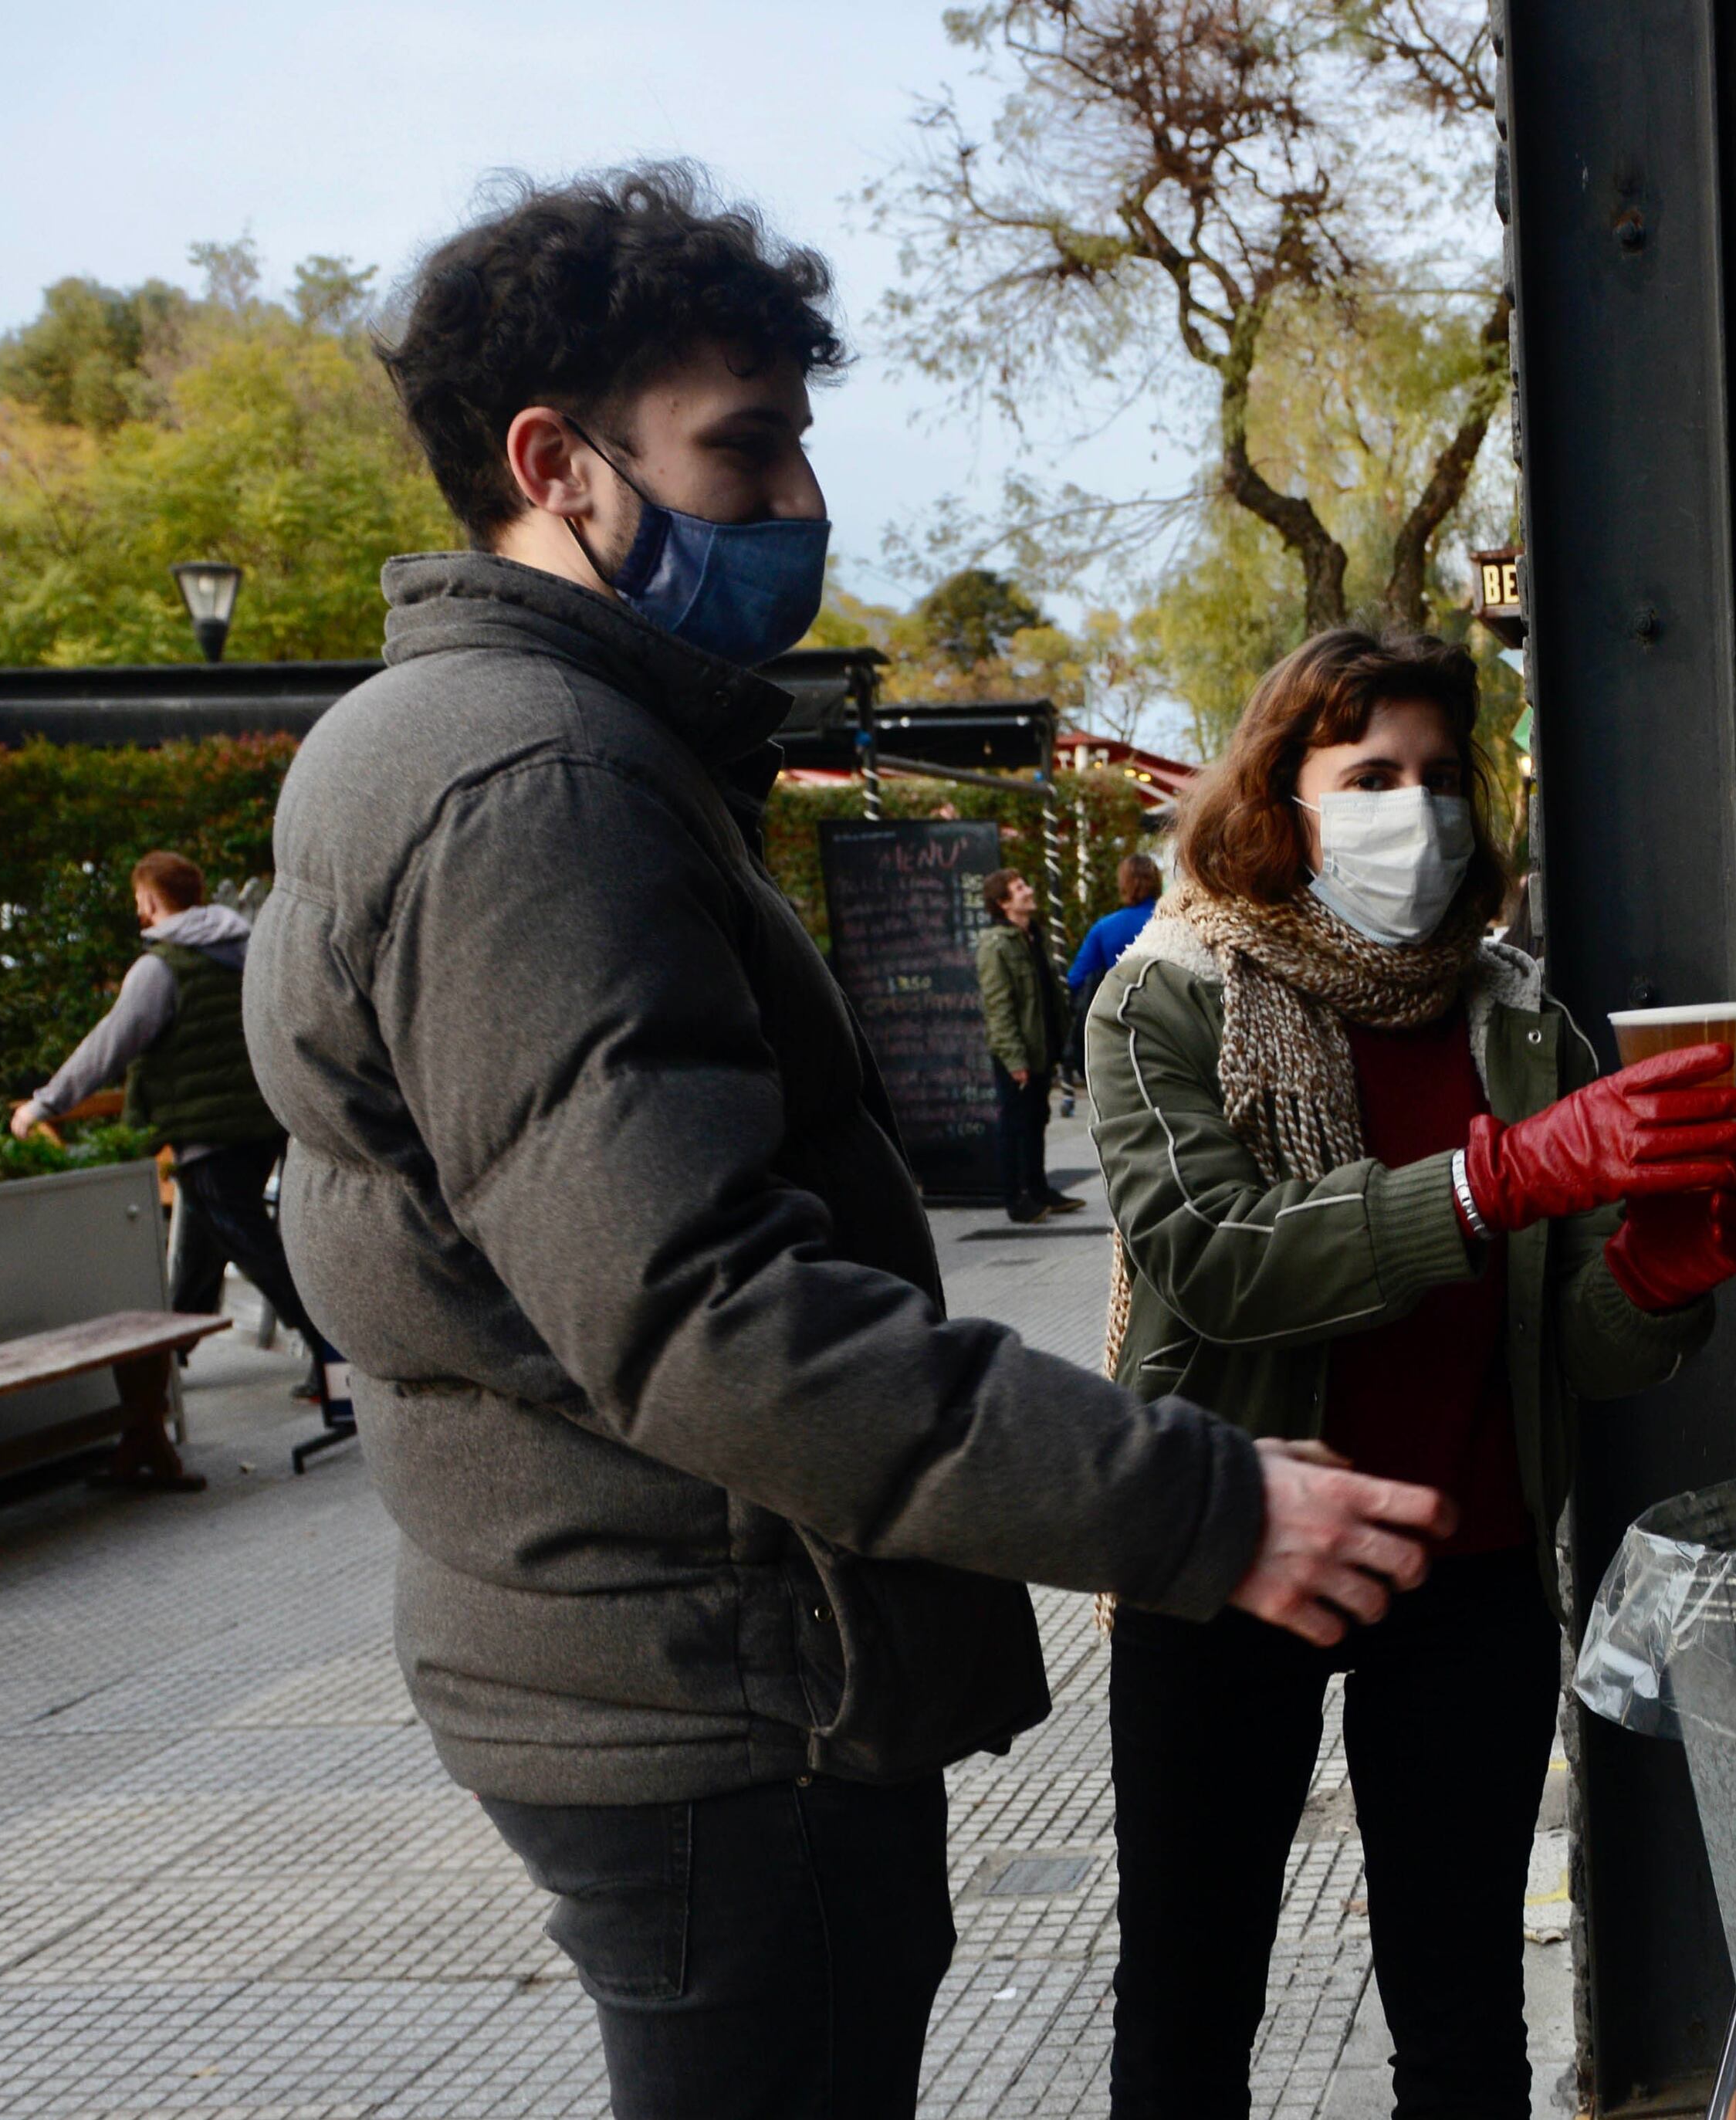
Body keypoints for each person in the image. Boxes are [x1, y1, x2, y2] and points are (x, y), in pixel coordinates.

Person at [249, 164, 1450, 2120]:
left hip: (669, 1653)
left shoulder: (488, 741)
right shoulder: (532, 780)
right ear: (556, 463)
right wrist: (1199, 1504)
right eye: (744, 448)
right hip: (712, 1685)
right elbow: (703, 1313)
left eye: (800, 439)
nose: (799, 502)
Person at [1087, 628, 1736, 2120]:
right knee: (1189, 2003)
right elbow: (1219, 1260)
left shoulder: (1520, 1019)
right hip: (1231, 1553)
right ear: (1282, 794)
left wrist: (1658, 1270)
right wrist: (1492, 1178)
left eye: (1443, 776)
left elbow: (1573, 1342)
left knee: (1463, 2020)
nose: (1417, 808)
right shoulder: (1166, 997)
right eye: (1372, 773)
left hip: (1467, 1566)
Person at [11, 850, 329, 1398]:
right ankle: (168, 1358)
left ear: (152, 901)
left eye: (140, 904)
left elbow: (111, 1044)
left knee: (252, 1245)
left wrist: (47, 1103)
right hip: (262, 1121)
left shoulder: (161, 968)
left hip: (209, 1131)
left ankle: (333, 1358)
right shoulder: (248, 951)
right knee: (208, 1243)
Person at [974, 866, 1079, 1221]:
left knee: (1037, 1119)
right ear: (1004, 902)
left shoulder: (1033, 935)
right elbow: (998, 1007)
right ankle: (1015, 1198)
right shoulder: (996, 945)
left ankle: (1038, 1188)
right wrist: (1014, 1058)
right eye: (1020, 888)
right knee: (1015, 1124)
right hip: (1017, 1055)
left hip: (1042, 1048)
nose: (1028, 891)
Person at [1061, 850, 1162, 1067]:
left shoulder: (1105, 928)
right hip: (1169, 1024)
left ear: (1124, 884)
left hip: (1122, 1026)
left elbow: (1076, 979)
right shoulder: (1175, 921)